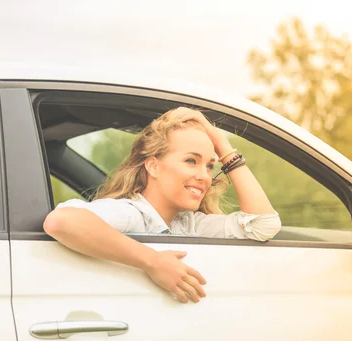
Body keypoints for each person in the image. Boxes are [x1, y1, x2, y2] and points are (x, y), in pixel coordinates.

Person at [43, 107, 281, 303]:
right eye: (191, 161)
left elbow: (263, 225)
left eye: (209, 165)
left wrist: (222, 144)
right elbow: (61, 221)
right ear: (153, 166)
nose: (205, 176)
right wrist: (152, 261)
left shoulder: (190, 223)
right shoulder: (133, 213)